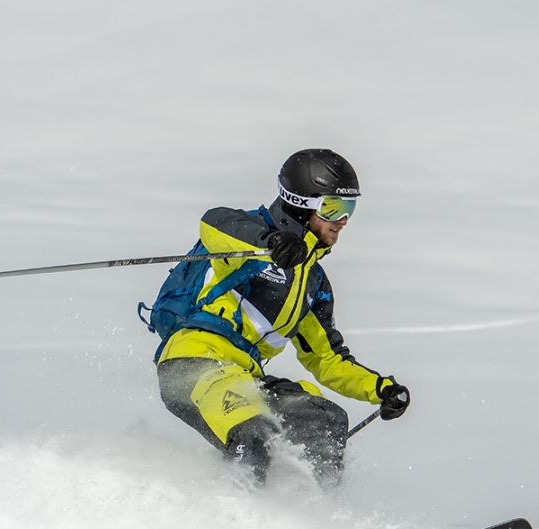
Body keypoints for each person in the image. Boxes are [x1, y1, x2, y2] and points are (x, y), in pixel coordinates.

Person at [152, 148, 411, 486]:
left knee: (324, 420)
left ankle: (317, 518)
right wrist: (271, 240)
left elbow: (328, 359)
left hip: (244, 375)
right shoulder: (249, 242)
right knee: (253, 431)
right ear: (303, 205)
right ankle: (236, 519)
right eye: (333, 208)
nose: (343, 220)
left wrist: (380, 389)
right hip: (194, 364)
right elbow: (213, 222)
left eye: (350, 208)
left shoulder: (311, 282)